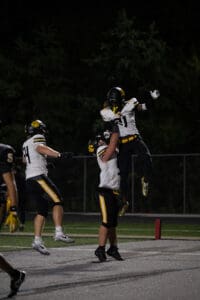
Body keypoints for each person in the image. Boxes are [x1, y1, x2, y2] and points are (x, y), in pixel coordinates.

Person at [100, 87, 160, 208]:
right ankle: (124, 201)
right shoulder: (106, 111)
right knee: (123, 174)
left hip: (134, 138)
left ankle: (145, 179)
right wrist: (108, 132)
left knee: (147, 158)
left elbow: (144, 107)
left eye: (115, 101)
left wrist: (152, 99)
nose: (113, 103)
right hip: (122, 143)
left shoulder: (131, 103)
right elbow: (109, 123)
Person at [22, 119, 74, 255]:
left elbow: (25, 160)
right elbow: (41, 148)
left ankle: (37, 241)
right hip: (38, 177)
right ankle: (58, 232)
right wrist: (59, 155)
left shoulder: (25, 143)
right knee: (58, 200)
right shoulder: (38, 137)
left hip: (29, 179)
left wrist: (44, 163)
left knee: (42, 210)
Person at [88, 130, 123, 262]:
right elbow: (107, 155)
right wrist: (116, 132)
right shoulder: (102, 149)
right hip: (104, 191)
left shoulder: (109, 147)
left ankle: (113, 248)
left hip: (113, 190)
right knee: (106, 221)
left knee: (113, 223)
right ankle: (100, 248)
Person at [0, 143, 26, 298]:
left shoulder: (3, 150)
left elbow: (10, 183)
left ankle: (15, 275)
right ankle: (15, 275)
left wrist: (13, 209)